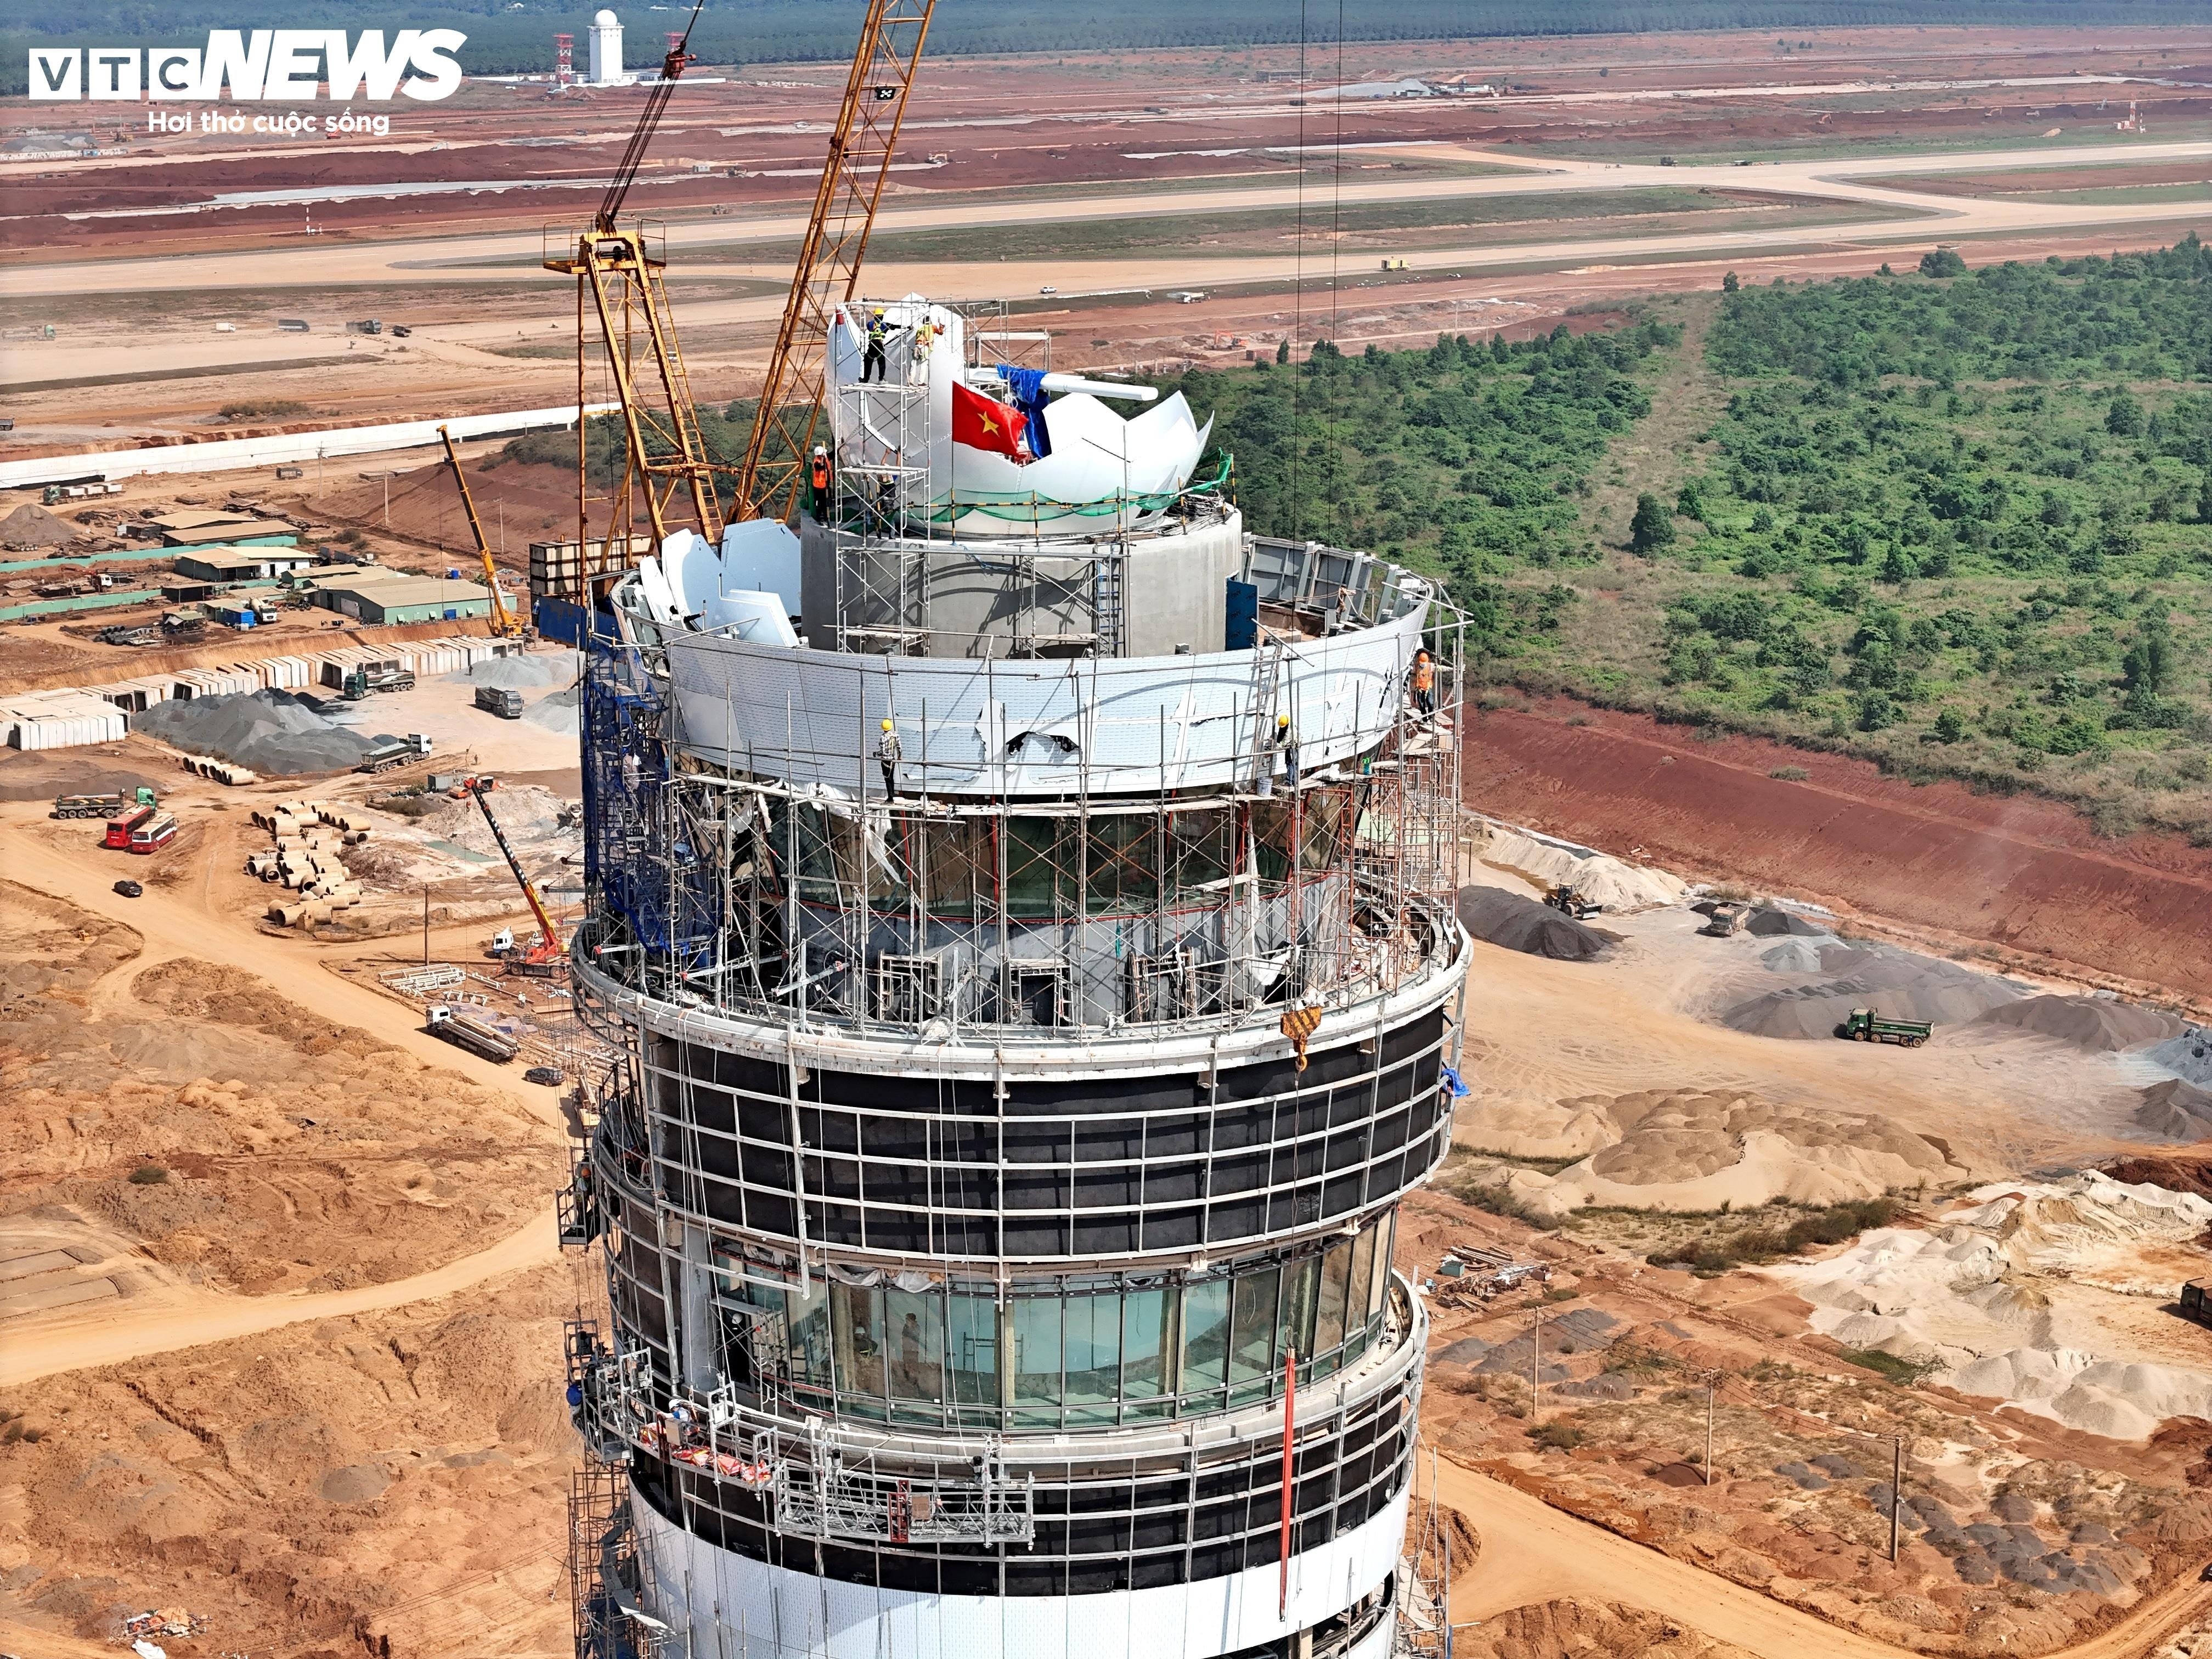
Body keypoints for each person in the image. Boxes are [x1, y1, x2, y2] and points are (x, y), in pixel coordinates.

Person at [860, 307, 890, 382]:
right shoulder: (883, 325)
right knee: (882, 363)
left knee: (868, 361)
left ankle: (866, 379)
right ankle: (881, 379)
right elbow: (893, 327)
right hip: (879, 345)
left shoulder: (871, 324)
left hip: (872, 344)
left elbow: (869, 327)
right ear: (882, 317)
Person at [876, 717, 902, 800]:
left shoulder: (883, 738)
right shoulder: (896, 735)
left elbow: (882, 752)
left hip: (885, 761)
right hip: (892, 760)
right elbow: (899, 748)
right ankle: (892, 794)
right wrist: (899, 757)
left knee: (887, 779)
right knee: (891, 777)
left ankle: (890, 798)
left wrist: (876, 754)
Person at [908, 316, 937, 385]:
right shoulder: (932, 327)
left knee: (913, 364)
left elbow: (916, 338)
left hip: (917, 347)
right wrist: (942, 325)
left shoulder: (920, 329)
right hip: (925, 347)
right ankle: (920, 383)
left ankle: (911, 382)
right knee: (923, 365)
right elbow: (941, 332)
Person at [1409, 648, 1435, 719]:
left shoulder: (1431, 666)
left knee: (1430, 703)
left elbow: (1441, 668)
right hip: (1420, 688)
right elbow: (1411, 672)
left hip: (1428, 687)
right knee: (1422, 704)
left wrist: (1453, 669)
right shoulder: (1416, 667)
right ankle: (1424, 718)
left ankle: (1431, 717)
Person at [1277, 712, 1300, 789]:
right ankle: (1295, 781)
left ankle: (1289, 782)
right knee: (1294, 765)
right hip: (1296, 746)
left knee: (1290, 764)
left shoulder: (1289, 731)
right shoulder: (1293, 725)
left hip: (1291, 748)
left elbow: (1286, 741)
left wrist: (1280, 745)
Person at [809, 444, 831, 519]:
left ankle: (825, 515)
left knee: (826, 500)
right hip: (819, 486)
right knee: (821, 502)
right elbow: (820, 467)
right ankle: (821, 517)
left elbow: (831, 455)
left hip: (825, 484)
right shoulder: (817, 462)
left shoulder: (824, 458)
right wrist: (823, 458)